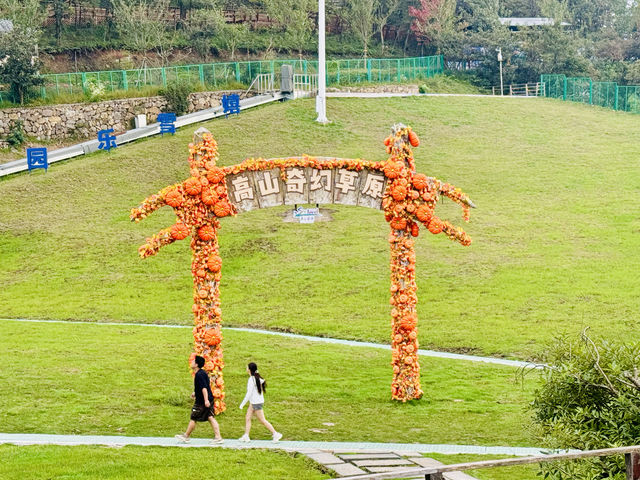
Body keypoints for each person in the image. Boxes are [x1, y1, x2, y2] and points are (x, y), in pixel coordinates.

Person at [175, 355, 224, 444]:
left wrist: (205, 400)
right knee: (210, 417)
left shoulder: (199, 374)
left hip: (202, 401)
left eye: (193, 361)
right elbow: (202, 386)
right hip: (208, 398)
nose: (192, 362)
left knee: (194, 417)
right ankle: (218, 437)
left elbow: (204, 388)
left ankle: (186, 436)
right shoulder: (202, 372)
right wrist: (195, 392)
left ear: (196, 364)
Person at [239, 362, 282, 442]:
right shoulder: (257, 378)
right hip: (255, 402)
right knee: (248, 417)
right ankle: (246, 435)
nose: (246, 369)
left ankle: (275, 434)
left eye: (247, 368)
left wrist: (242, 404)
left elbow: (249, 393)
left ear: (249, 370)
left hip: (256, 403)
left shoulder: (251, 379)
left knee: (262, 420)